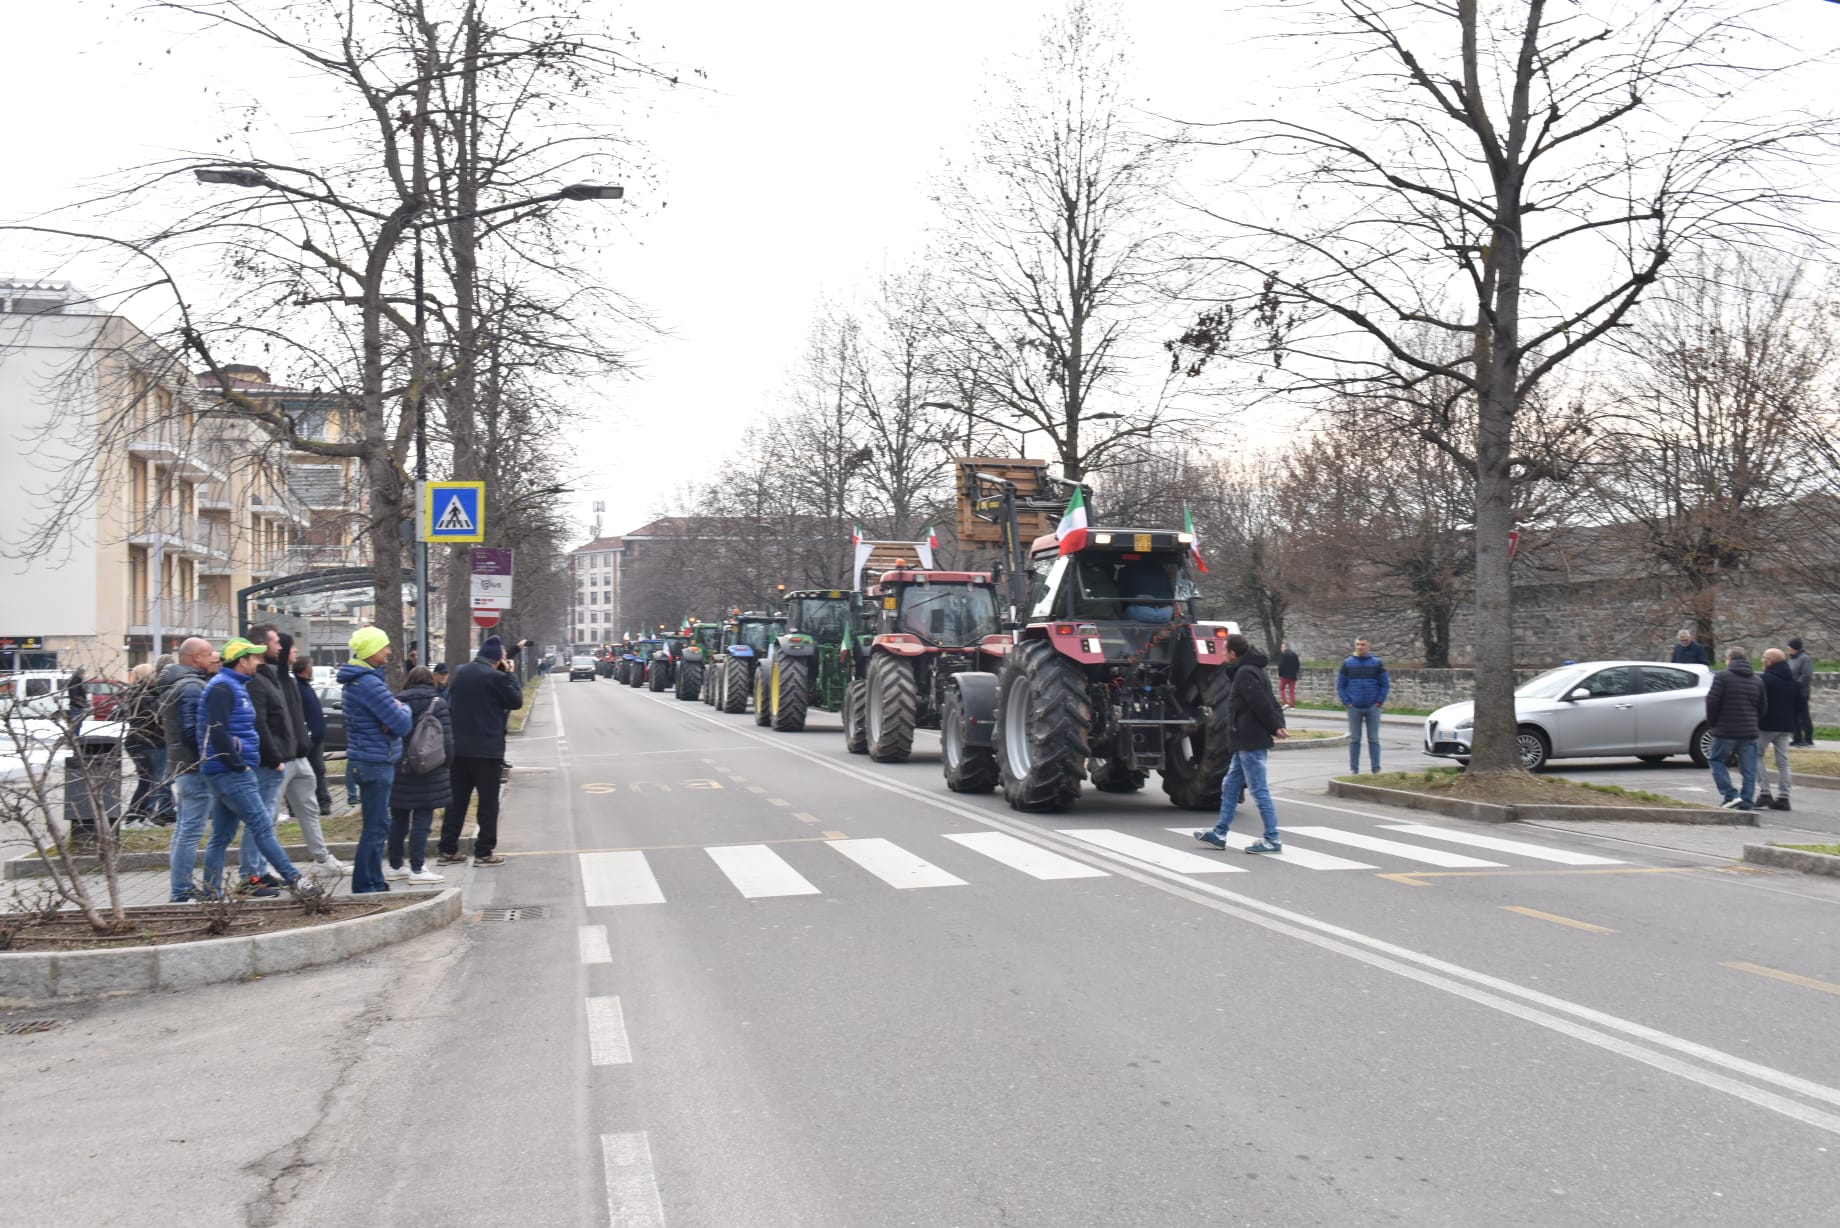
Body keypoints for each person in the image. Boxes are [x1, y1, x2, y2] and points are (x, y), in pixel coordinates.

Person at [195, 638, 322, 901]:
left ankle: (211, 892)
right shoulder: (223, 687)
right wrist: (238, 764)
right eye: (254, 658)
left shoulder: (234, 686)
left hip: (226, 771)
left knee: (221, 835)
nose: (259, 662)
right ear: (242, 661)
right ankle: (295, 880)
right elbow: (216, 730)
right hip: (230, 773)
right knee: (262, 827)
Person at [1194, 634, 1289, 854]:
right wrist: (1278, 724)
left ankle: (1272, 838)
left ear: (1233, 654)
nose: (1221, 654)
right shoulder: (1252, 670)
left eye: (1224, 650)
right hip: (1243, 740)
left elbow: (1261, 704)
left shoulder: (1245, 673)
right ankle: (1219, 833)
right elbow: (1272, 701)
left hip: (1250, 740)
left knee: (1258, 789)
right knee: (1229, 785)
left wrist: (1275, 726)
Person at [437, 634, 526, 868]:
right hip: (486, 750)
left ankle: (447, 849)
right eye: (504, 657)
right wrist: (508, 673)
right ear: (497, 659)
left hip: (459, 749)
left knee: (456, 801)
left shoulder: (461, 673)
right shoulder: (496, 677)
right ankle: (484, 852)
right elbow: (516, 701)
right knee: (488, 803)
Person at [338, 626, 414, 894]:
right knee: (376, 826)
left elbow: (392, 718)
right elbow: (402, 723)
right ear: (372, 651)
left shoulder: (360, 681)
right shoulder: (369, 683)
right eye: (384, 647)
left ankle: (372, 880)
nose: (389, 651)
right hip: (375, 762)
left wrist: (394, 711)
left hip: (368, 760)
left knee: (377, 824)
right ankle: (365, 883)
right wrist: (401, 708)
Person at [274, 633, 342, 874]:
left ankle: (322, 858)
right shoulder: (266, 680)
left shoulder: (290, 681)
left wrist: (304, 742)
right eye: (291, 649)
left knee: (310, 808)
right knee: (268, 816)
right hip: (280, 759)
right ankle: (260, 867)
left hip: (299, 755)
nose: (295, 653)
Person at [159, 638, 220, 902]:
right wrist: (207, 756)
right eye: (208, 656)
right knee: (190, 831)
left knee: (184, 829)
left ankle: (181, 887)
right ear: (195, 658)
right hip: (194, 769)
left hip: (183, 766)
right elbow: (191, 731)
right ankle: (181, 891)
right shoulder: (192, 687)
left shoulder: (178, 684)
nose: (211, 662)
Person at [239, 624, 293, 887]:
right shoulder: (255, 681)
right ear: (261, 646)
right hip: (265, 763)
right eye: (275, 642)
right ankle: (252, 874)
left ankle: (259, 869)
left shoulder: (266, 676)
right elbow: (259, 724)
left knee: (266, 819)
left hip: (272, 760)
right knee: (259, 821)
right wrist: (274, 758)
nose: (280, 647)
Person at [387, 666, 452, 883]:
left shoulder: (397, 702)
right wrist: (447, 763)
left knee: (399, 819)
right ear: (430, 681)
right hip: (429, 767)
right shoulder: (438, 704)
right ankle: (418, 867)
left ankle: (396, 866)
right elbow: (446, 739)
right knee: (423, 818)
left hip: (400, 766)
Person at [1705, 645, 1766, 811]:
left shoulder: (1722, 677)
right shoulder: (1757, 680)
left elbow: (1711, 701)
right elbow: (1762, 707)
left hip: (1725, 731)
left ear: (1729, 659)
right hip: (1749, 732)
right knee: (1749, 769)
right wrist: (1753, 721)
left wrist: (1713, 723)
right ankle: (1746, 801)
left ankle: (1730, 795)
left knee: (1716, 760)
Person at [121, 662, 169, 828]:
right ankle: (138, 817)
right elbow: (158, 716)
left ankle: (137, 817)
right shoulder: (146, 695)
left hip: (138, 741)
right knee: (153, 781)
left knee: (146, 781)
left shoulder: (134, 693)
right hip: (149, 742)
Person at [1336, 637, 1389, 774]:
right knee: (1355, 739)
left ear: (1368, 646)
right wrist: (1347, 702)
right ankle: (1354, 768)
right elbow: (1340, 685)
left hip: (1372, 707)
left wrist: (1379, 701)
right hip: (1354, 707)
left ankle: (1376, 768)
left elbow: (1384, 684)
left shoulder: (1377, 663)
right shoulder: (1347, 664)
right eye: (1358, 644)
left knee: (1373, 739)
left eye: (1363, 645)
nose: (1360, 647)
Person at [293, 656, 334, 816]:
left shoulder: (306, 686)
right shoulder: (297, 687)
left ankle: (322, 802)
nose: (312, 668)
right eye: (311, 665)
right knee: (314, 771)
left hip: (316, 738)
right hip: (308, 739)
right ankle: (319, 803)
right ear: (305, 668)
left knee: (318, 771)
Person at [1757, 648, 1796, 812]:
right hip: (1785, 726)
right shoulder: (1792, 680)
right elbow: (1799, 704)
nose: (1761, 660)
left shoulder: (1765, 679)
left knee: (1755, 755)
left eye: (1763, 657)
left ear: (1770, 661)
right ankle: (1784, 797)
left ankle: (1765, 792)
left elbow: (1758, 701)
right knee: (1783, 762)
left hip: (1766, 725)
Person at [1787, 637, 1816, 747]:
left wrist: (1796, 685)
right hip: (1792, 693)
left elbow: (1806, 675)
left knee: (1803, 716)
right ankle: (1797, 737)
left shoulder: (1804, 658)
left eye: (1790, 646)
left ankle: (1808, 738)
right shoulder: (1792, 659)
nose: (1788, 648)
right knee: (1793, 716)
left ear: (1794, 647)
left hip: (1801, 692)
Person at [1277, 641, 1300, 709]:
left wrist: (1280, 674)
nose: (1281, 648)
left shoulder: (1283, 655)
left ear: (1285, 647)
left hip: (1284, 675)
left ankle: (1285, 703)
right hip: (1293, 676)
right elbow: (1297, 665)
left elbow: (1281, 665)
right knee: (1291, 690)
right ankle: (1292, 706)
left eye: (1282, 647)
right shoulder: (1294, 654)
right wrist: (1295, 672)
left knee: (1281, 688)